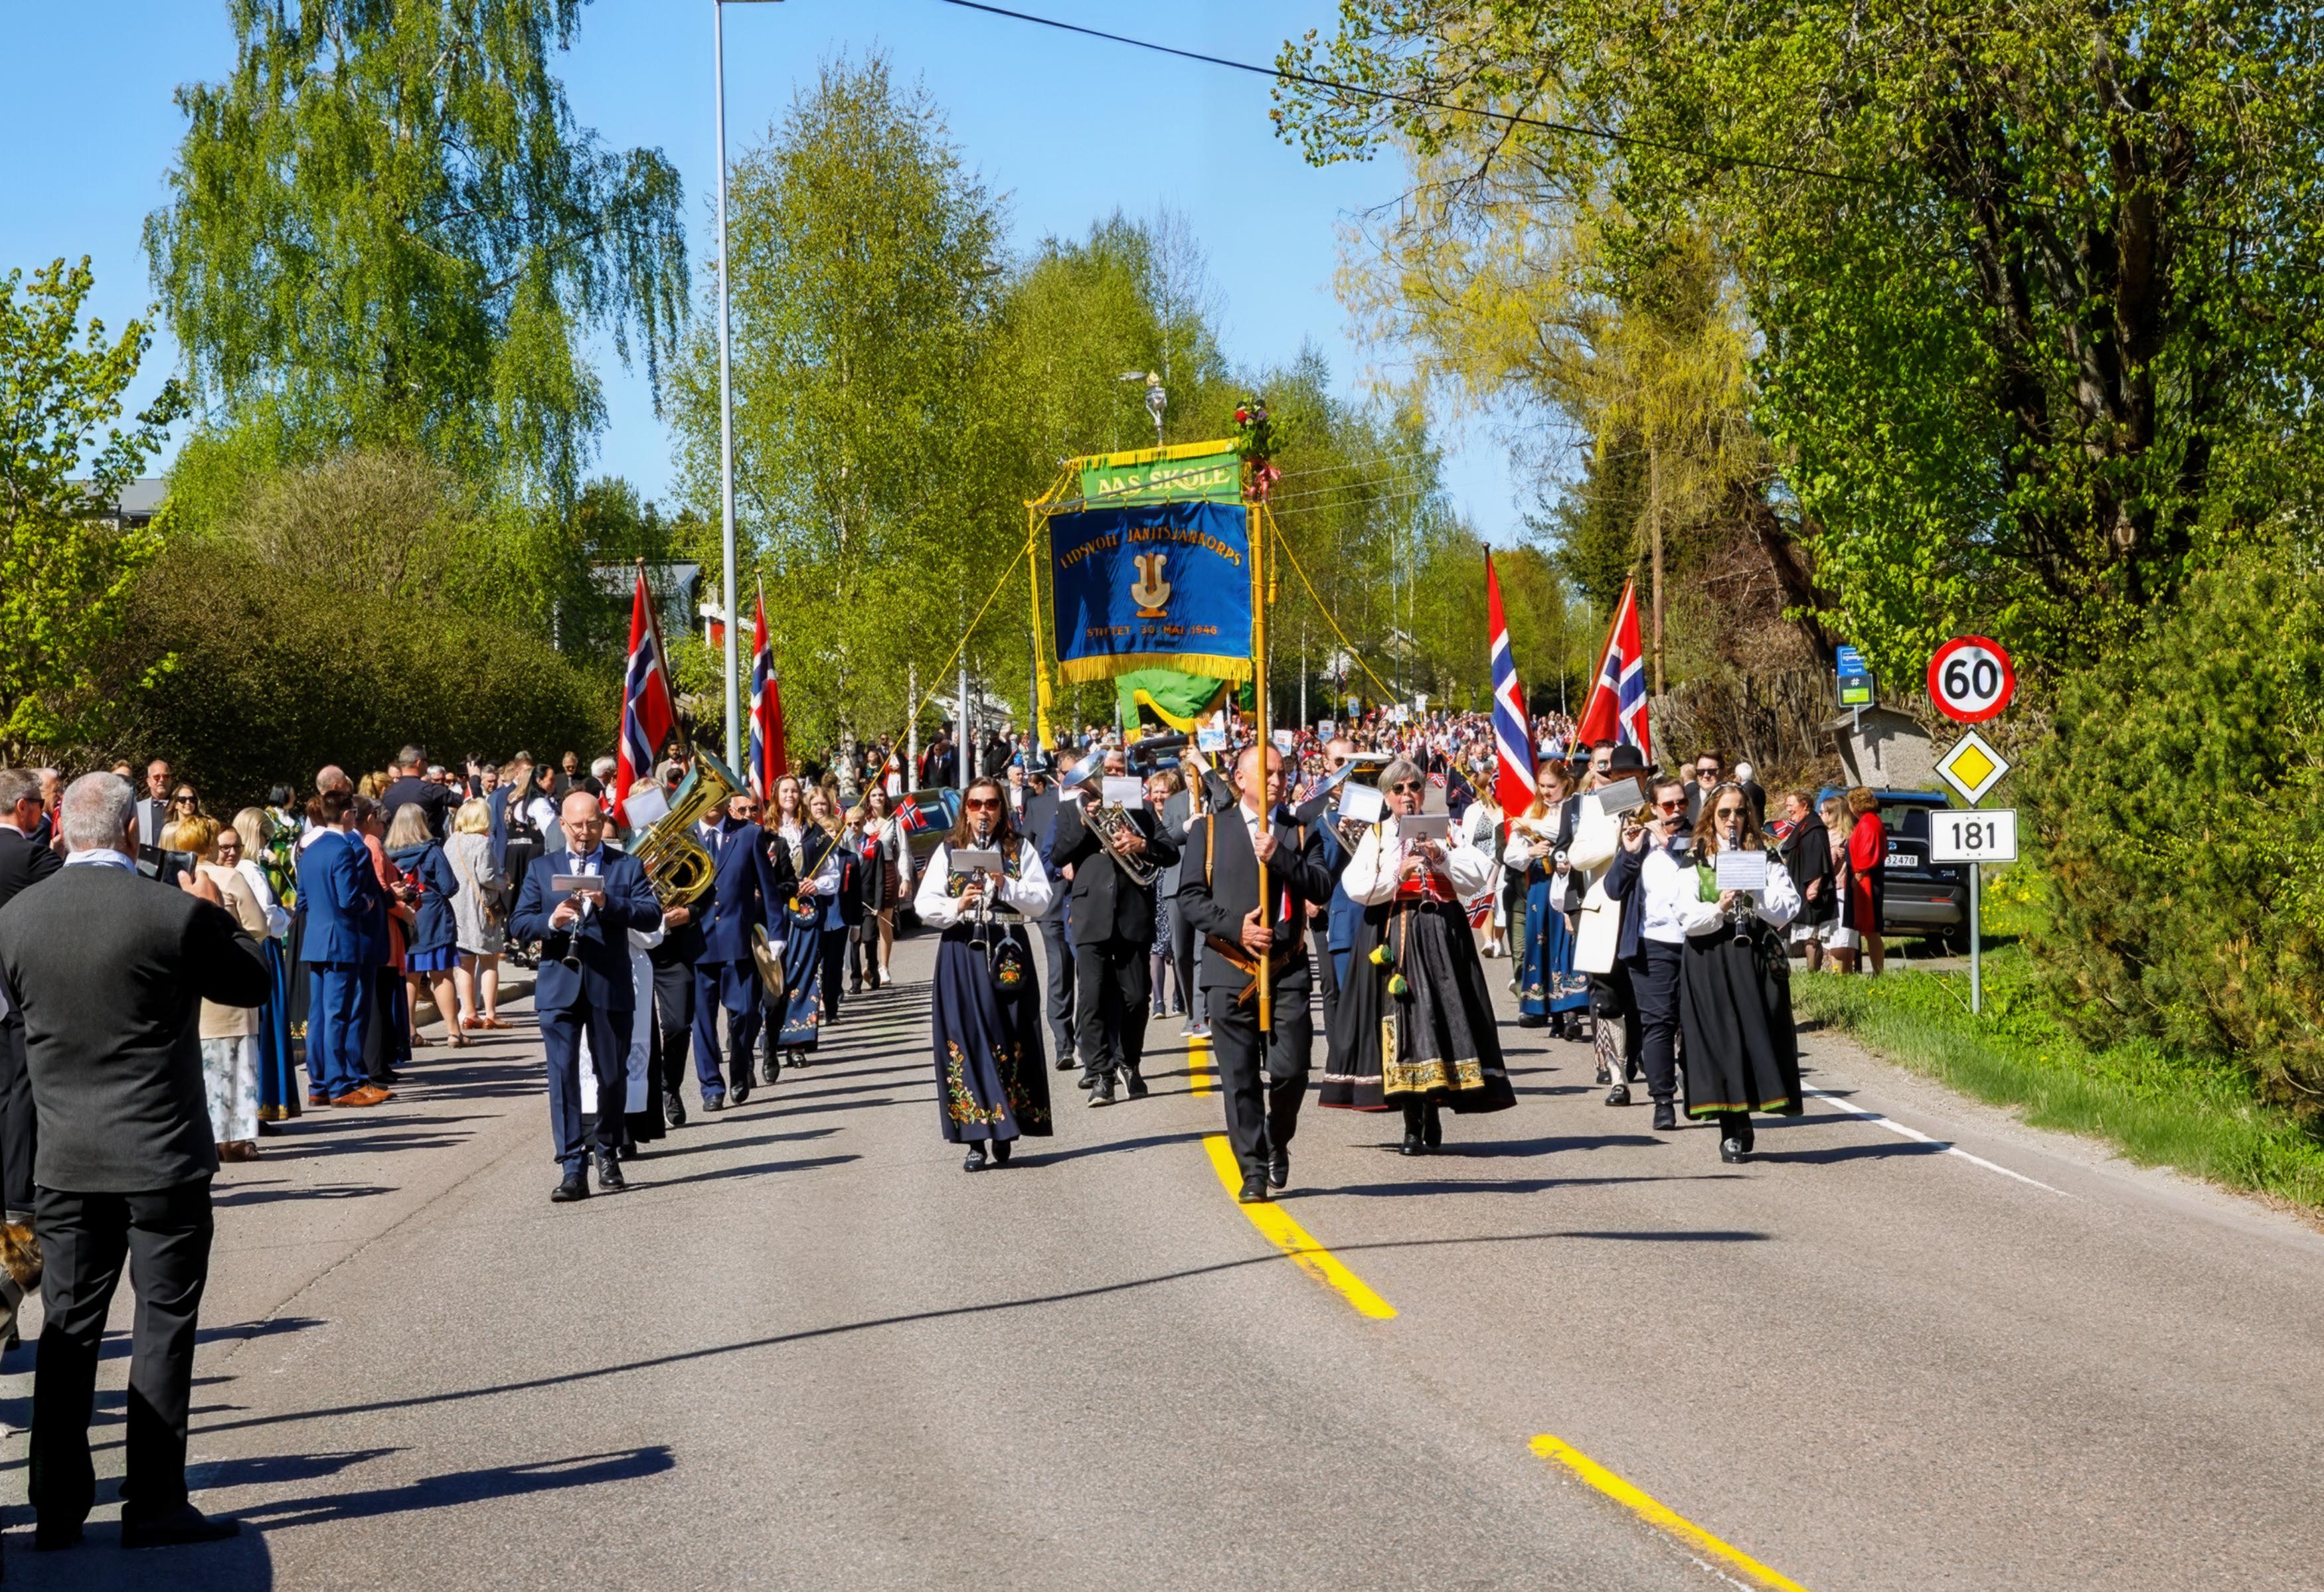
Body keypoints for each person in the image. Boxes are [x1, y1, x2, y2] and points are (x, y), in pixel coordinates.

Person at [0, 771, 267, 1550]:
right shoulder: (172, 912)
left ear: (63, 833)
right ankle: (153, 1502)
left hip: (66, 1159)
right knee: (163, 1324)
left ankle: (53, 1505)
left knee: (69, 1328)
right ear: (129, 835)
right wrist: (222, 918)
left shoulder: (14, 919)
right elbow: (251, 983)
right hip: (161, 1158)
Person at [1320, 757, 1515, 1152]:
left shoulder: (1448, 830)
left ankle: (1435, 1107)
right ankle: (1412, 1118)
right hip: (1391, 934)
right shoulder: (1376, 835)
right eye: (1398, 789)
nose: (1407, 796)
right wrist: (1398, 871)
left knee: (1439, 1017)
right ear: (1387, 795)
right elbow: (1357, 885)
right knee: (1400, 1020)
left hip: (1441, 932)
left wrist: (1440, 858)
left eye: (1414, 787)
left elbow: (1477, 876)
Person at [1177, 745, 1333, 1201]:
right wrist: (1236, 928)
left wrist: (1280, 856)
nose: (1276, 782)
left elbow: (1323, 884)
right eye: (1265, 773)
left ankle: (1276, 1139)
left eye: (1281, 773)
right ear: (1239, 780)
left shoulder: (1301, 831)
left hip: (1286, 969)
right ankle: (1252, 1171)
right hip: (1228, 968)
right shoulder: (1210, 830)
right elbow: (1190, 897)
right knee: (1240, 1078)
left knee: (1291, 1070)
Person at [510, 791, 663, 1201]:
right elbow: (519, 921)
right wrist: (551, 920)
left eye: (592, 824)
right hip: (559, 983)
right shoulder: (543, 868)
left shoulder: (625, 865)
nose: (584, 833)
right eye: (576, 825)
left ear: (602, 822)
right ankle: (572, 1167)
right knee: (562, 1077)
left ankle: (608, 1150)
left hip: (608, 983)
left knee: (611, 1075)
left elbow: (652, 914)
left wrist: (609, 903)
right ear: (563, 825)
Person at [914, 775, 1054, 1170]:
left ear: (1001, 809)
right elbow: (924, 904)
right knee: (964, 1038)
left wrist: (1004, 884)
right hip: (962, 951)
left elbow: (1042, 900)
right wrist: (957, 904)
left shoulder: (1018, 847)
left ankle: (1007, 1121)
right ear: (966, 810)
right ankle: (975, 1137)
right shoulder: (950, 848)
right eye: (975, 805)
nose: (983, 812)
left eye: (991, 804)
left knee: (1008, 1034)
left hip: (1008, 949)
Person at [1674, 782, 1805, 1160]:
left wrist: (1756, 892)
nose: (1733, 820)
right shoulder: (1695, 856)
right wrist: (1718, 905)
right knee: (1719, 1040)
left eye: (1740, 812)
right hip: (1709, 955)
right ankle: (1730, 1126)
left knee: (1754, 1036)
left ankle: (1746, 1113)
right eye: (1724, 813)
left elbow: (1788, 907)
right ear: (1711, 816)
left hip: (1752, 959)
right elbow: (1684, 916)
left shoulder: (1764, 855)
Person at [1048, 755, 1181, 1106]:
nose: (1106, 777)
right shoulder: (1069, 811)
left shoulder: (1138, 806)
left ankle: (1129, 1062)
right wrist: (1084, 822)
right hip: (1091, 912)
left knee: (1137, 997)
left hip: (1133, 911)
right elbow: (1058, 856)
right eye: (1102, 772)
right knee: (1091, 997)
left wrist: (1142, 846)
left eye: (1113, 771)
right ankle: (1101, 1075)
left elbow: (1169, 852)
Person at [164, 815, 269, 1162]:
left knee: (201, 1065)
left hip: (187, 985)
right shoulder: (228, 877)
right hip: (227, 978)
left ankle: (205, 1136)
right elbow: (258, 925)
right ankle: (234, 1139)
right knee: (236, 1061)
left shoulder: (169, 880)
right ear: (210, 843)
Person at [0, 767, 63, 1224]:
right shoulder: (28, 857)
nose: (43, 813)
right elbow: (72, 894)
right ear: (23, 807)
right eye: (41, 805)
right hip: (16, 985)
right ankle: (19, 1188)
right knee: (22, 1085)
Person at [297, 787, 387, 1107]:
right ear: (348, 815)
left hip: (317, 938)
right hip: (341, 940)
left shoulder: (310, 849)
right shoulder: (344, 850)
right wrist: (368, 901)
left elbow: (302, 899)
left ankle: (319, 1084)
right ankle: (339, 1086)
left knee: (320, 1014)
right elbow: (349, 899)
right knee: (337, 1014)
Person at [693, 787, 782, 1109]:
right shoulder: (684, 838)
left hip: (738, 942)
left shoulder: (749, 835)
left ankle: (739, 1068)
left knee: (745, 1013)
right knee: (702, 1022)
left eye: (717, 795)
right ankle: (711, 1087)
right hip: (696, 944)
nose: (711, 803)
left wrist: (776, 932)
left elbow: (767, 887)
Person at [223, 809, 299, 1127]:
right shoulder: (250, 871)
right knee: (266, 1025)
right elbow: (266, 918)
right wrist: (288, 916)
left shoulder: (229, 871)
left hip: (244, 945)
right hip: (262, 945)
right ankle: (265, 1101)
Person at [1506, 761, 1590, 1037]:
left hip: (1568, 882)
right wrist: (1532, 852)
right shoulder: (1534, 809)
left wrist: (1534, 825)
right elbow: (1511, 856)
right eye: (1541, 786)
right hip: (1541, 884)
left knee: (1566, 942)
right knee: (1540, 942)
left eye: (1551, 786)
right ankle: (1547, 1012)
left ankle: (1571, 1010)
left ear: (1565, 784)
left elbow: (1570, 834)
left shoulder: (1576, 808)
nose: (1545, 791)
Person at [773, 787, 855, 1062]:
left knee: (803, 973)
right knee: (773, 972)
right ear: (776, 796)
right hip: (772, 910)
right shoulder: (764, 828)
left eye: (795, 790)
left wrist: (815, 885)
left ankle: (796, 1043)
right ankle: (769, 1039)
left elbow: (832, 874)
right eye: (785, 790)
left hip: (806, 910)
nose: (791, 795)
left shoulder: (814, 832)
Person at [385, 803, 463, 1050]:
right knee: (441, 973)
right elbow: (449, 885)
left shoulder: (388, 852)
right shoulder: (431, 850)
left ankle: (410, 1032)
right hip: (434, 916)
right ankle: (453, 1032)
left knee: (409, 976)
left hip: (405, 917)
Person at [1021, 751, 1078, 1070]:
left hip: (1087, 904)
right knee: (1059, 975)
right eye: (1069, 773)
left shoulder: (1098, 803)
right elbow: (1026, 853)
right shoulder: (1039, 805)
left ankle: (1088, 1038)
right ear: (1059, 774)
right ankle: (1063, 1045)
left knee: (1090, 977)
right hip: (1052, 905)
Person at [446, 798, 509, 1030]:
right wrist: (504, 881)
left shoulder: (451, 842)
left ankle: (469, 1011)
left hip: (457, 908)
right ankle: (491, 1013)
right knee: (490, 962)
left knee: (464, 963)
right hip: (481, 910)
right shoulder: (482, 844)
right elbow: (487, 877)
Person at [857, 787, 912, 988]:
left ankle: (884, 966)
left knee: (884, 920)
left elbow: (904, 851)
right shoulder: (861, 823)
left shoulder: (895, 822)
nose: (878, 798)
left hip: (887, 871)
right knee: (866, 922)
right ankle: (869, 965)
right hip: (866, 872)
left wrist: (905, 878)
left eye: (881, 794)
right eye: (873, 795)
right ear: (868, 799)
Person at [1778, 791, 1837, 972]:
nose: (1788, 809)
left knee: (1812, 933)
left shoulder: (1814, 828)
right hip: (1801, 887)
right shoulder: (1804, 825)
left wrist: (1815, 885)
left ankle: (1813, 972)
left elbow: (1819, 859)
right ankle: (1811, 970)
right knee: (1807, 932)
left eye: (1791, 805)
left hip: (1812, 890)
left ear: (1804, 805)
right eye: (1787, 805)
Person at [1843, 785, 1887, 976]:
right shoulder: (1867, 821)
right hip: (1864, 879)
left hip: (1867, 881)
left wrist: (1858, 876)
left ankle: (1878, 973)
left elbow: (1867, 853)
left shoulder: (1869, 823)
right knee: (1869, 930)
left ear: (1856, 804)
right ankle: (1876, 972)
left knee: (1871, 929)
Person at [381, 744, 454, 838]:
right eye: (426, 761)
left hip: (394, 850)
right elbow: (468, 802)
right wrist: (474, 778)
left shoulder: (387, 795)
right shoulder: (432, 791)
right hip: (427, 849)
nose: (427, 765)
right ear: (419, 763)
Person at [1684, 748, 1726, 827]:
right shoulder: (1686, 803)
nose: (1706, 776)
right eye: (1701, 772)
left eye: (1712, 771)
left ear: (1723, 772)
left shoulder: (1733, 800)